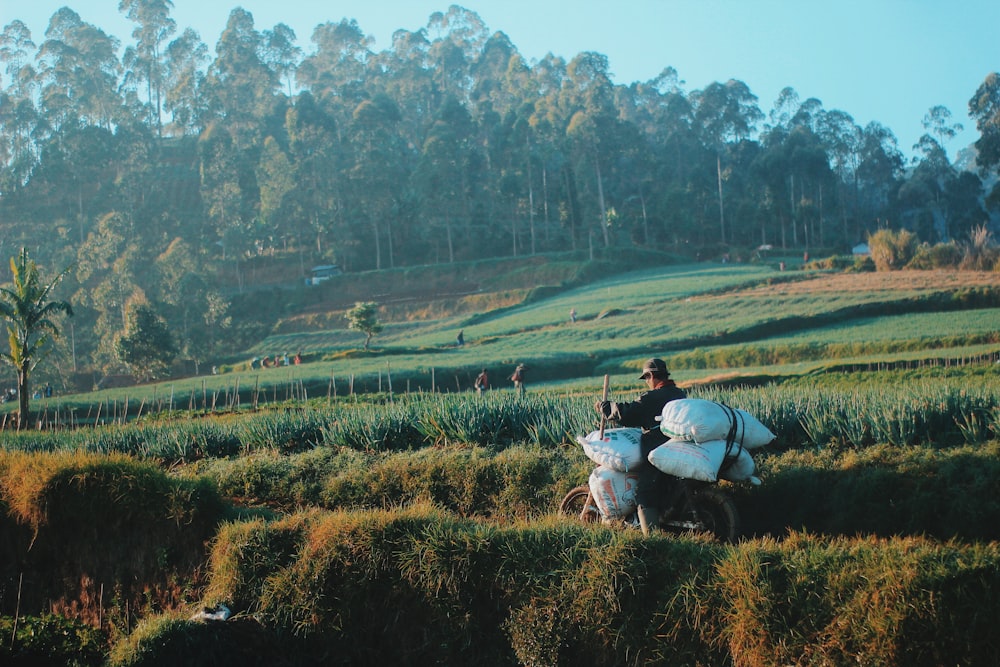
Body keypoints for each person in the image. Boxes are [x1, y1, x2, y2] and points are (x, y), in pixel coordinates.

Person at [595, 358, 686, 536]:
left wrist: (607, 408)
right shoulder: (678, 394)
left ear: (651, 375)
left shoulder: (652, 397)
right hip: (677, 448)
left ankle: (652, 539)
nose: (647, 382)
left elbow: (629, 413)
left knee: (644, 493)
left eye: (646, 378)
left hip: (658, 450)